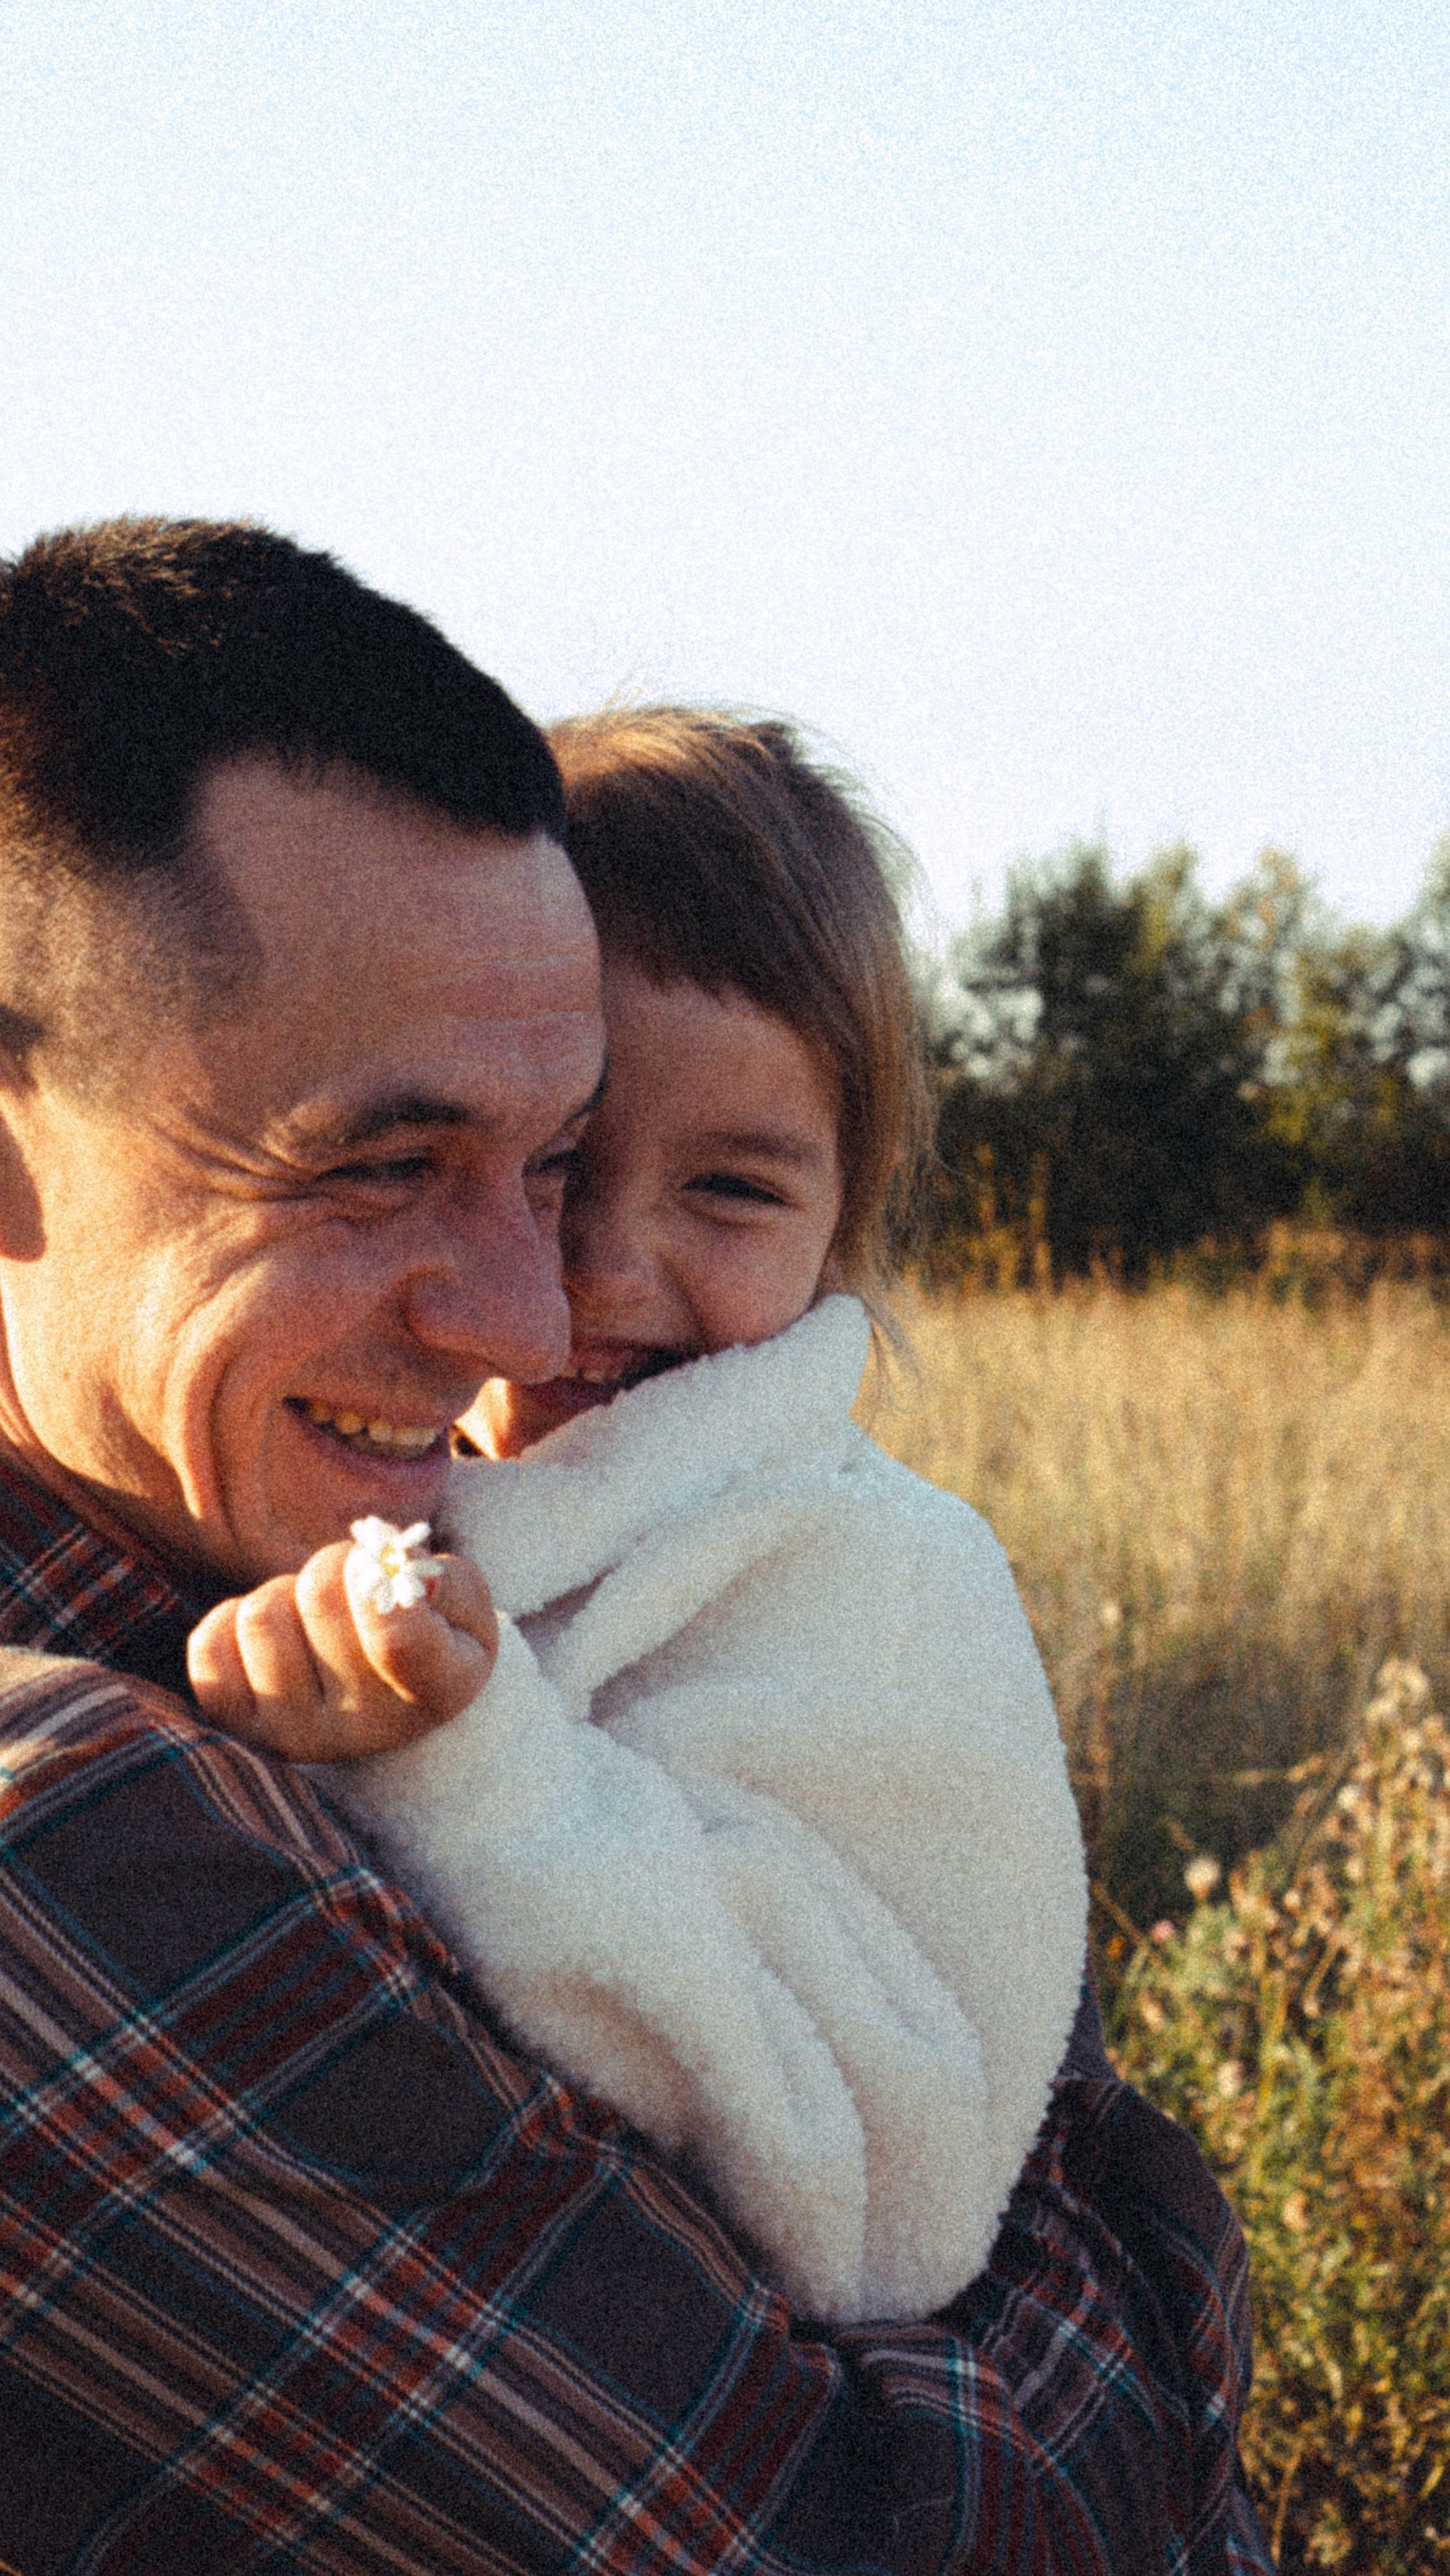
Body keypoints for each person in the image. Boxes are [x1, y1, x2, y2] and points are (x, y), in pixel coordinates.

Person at [0, 519, 1272, 2573]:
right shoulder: (31, 1845)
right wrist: (1143, 2241)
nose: (538, 1324)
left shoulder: (90, 1584)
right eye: (384, 1164)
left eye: (537, 1166)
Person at [187, 707, 1091, 2332]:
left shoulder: (877, 1580)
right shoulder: (354, 1472)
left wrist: (467, 1768)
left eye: (731, 1190)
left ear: (842, 1221)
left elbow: (890, 2193)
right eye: (553, 1166)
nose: (598, 1274)